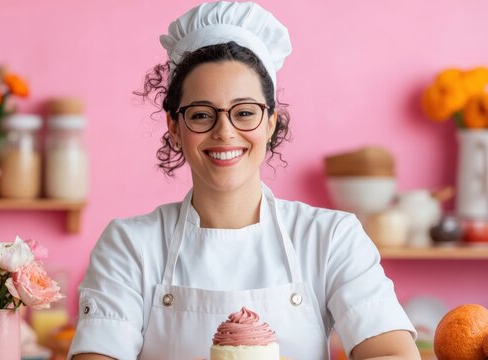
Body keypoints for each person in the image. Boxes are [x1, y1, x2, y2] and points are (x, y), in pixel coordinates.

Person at [68, 2, 420, 359]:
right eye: (202, 114)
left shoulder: (331, 238)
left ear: (270, 123)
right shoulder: (130, 246)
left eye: (245, 113)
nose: (225, 132)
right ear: (175, 126)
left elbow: (393, 353)